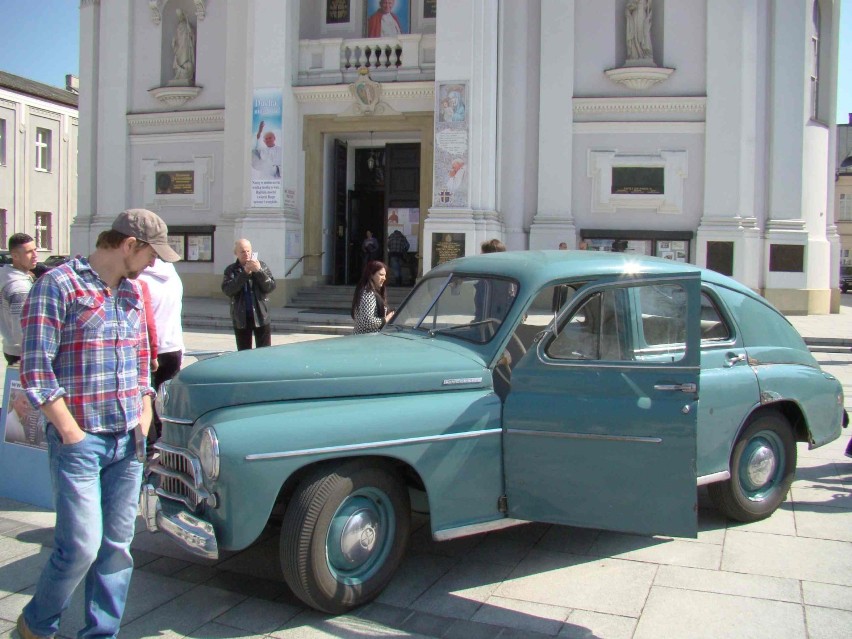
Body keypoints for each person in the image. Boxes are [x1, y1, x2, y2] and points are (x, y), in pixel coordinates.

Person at [16, 208, 180, 639]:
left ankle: (100, 633)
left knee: (116, 551)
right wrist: (69, 431)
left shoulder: (132, 292)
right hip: (81, 442)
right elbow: (35, 369)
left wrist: (144, 413)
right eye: (151, 254)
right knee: (80, 548)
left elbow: (144, 360)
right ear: (129, 245)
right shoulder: (58, 286)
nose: (154, 264)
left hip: (128, 440)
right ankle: (37, 623)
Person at [139, 258, 184, 448]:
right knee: (166, 398)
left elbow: (148, 321)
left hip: (152, 348)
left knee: (146, 400)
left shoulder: (139, 279)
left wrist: (152, 352)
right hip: (174, 344)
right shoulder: (172, 274)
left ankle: (150, 444)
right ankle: (167, 439)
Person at [222, 239, 276, 350]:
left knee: (264, 351)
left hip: (261, 315)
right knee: (243, 352)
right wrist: (245, 273)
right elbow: (228, 290)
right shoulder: (231, 270)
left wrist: (258, 271)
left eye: (248, 251)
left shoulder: (261, 266)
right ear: (236, 253)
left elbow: (270, 287)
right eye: (242, 251)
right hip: (241, 317)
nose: (246, 254)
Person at [0, 233, 38, 366]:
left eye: (35, 249)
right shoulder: (19, 287)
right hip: (22, 353)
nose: (35, 255)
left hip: (10, 347)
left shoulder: (5, 275)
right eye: (29, 252)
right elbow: (20, 327)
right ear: (15, 256)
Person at [351, 260, 394, 334]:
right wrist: (386, 319)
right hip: (365, 339)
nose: (384, 278)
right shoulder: (368, 293)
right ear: (371, 274)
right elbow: (367, 321)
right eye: (381, 274)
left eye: (385, 275)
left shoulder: (368, 291)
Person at [172, 8, 196, 83]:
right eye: (178, 15)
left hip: (186, 45)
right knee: (179, 57)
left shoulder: (187, 24)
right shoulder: (179, 26)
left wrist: (187, 20)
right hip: (180, 46)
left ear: (183, 15)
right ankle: (179, 72)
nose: (179, 17)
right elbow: (177, 36)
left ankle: (186, 72)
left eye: (180, 15)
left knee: (185, 57)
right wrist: (174, 42)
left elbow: (191, 34)